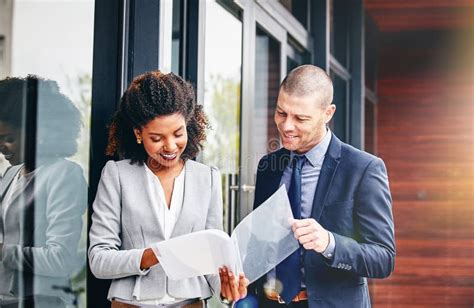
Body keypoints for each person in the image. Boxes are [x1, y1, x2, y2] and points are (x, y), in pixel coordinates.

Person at [88, 71, 247, 308]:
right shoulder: (117, 175)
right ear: (138, 134)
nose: (171, 146)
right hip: (131, 303)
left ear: (188, 126)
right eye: (157, 138)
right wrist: (155, 255)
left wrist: (227, 290)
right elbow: (99, 260)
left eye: (178, 133)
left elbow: (212, 260)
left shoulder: (208, 178)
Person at [246, 65, 395, 307]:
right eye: (281, 113)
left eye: (300, 118)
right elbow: (259, 244)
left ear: (328, 113)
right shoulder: (269, 166)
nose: (286, 126)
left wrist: (329, 242)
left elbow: (384, 258)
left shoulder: (363, 168)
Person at [0, 76, 87, 307]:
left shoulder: (64, 174)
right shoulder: (11, 174)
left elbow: (61, 259)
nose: (1, 147)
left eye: (8, 138)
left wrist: (3, 252)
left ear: (39, 131)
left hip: (43, 301)